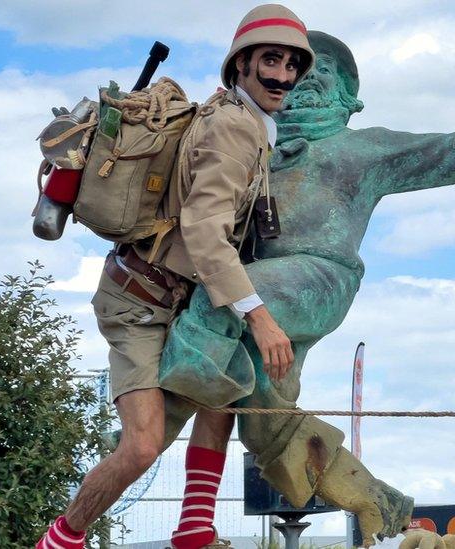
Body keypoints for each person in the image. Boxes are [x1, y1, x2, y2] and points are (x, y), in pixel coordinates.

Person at [156, 30, 455, 547]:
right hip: (260, 290)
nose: (306, 82)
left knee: (220, 301)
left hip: (318, 274)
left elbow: (443, 151)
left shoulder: (362, 147)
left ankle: (150, 428)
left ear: (348, 100)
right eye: (300, 73)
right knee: (265, 419)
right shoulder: (252, 143)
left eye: (323, 74)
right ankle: (384, 505)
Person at [35, 5, 314, 548]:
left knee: (221, 393)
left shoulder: (247, 122)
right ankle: (62, 538)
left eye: (291, 64)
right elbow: (208, 235)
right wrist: (259, 318)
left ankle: (193, 530)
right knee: (141, 447)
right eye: (269, 60)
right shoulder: (235, 128)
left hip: (179, 298)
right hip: (136, 303)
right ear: (240, 66)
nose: (282, 75)